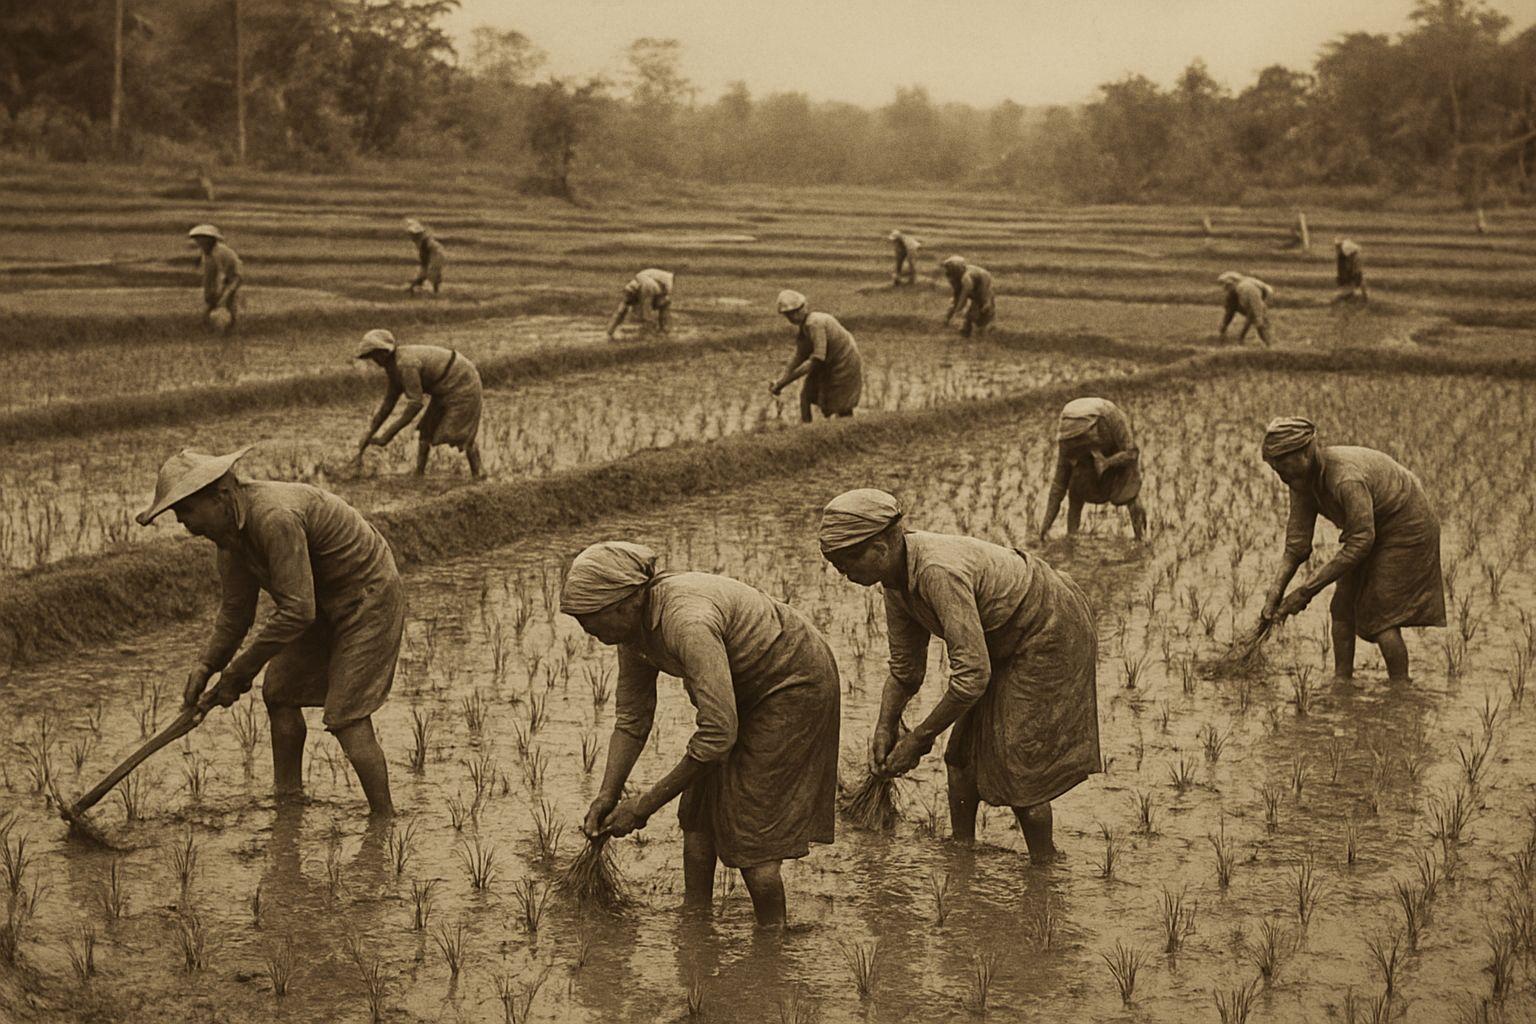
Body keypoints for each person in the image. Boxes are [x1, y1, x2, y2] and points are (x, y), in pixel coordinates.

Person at [564, 542, 840, 927]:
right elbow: (632, 719)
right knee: (698, 817)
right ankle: (695, 922)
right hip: (738, 692)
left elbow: (716, 735)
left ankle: (771, 942)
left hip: (792, 684)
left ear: (626, 602)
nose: (589, 631)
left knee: (752, 834)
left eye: (592, 620)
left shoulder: (686, 622)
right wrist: (608, 794)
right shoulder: (632, 633)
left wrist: (642, 807)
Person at [818, 489, 1100, 863]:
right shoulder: (895, 584)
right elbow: (905, 670)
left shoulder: (937, 572)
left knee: (1022, 766)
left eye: (846, 566)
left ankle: (1044, 867)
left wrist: (918, 739)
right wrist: (885, 726)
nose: (846, 576)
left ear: (880, 550)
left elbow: (971, 677)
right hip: (999, 642)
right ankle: (962, 852)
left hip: (1048, 629)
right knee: (961, 758)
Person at [136, 446, 404, 816]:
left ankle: (383, 818)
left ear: (221, 497)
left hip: (366, 598)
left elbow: (297, 610)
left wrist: (237, 675)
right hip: (315, 604)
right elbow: (235, 614)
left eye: (186, 510)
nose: (184, 523)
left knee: (347, 715)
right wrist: (206, 666)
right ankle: (289, 801)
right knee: (280, 694)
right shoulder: (230, 542)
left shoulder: (274, 517)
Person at [1260, 418, 1445, 682]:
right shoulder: (1300, 482)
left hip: (1407, 525)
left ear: (1305, 452)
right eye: (1278, 471)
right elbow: (1297, 546)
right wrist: (1274, 594)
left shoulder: (1345, 479)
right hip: (1368, 530)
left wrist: (1304, 592)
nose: (1283, 478)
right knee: (1342, 607)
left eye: (1285, 468)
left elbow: (1361, 541)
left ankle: (1400, 689)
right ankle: (1342, 681)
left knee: (1382, 615)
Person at [354, 329, 484, 478]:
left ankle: (478, 474)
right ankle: (419, 474)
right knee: (426, 431)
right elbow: (388, 403)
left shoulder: (406, 364)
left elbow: (415, 404)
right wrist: (369, 434)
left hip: (462, 383)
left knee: (460, 434)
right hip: (442, 388)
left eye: (375, 355)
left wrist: (388, 435)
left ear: (384, 352)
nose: (374, 361)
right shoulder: (393, 367)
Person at [1038, 397, 1147, 542]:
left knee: (1129, 493)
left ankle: (1141, 538)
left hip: (1108, 448)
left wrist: (1107, 462)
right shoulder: (1069, 440)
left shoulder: (1110, 417)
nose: (1081, 444)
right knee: (1077, 488)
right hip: (1090, 450)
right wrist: (1045, 527)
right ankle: (1073, 538)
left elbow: (1132, 453)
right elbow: (1059, 485)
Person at [769, 290, 863, 422]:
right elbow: (799, 356)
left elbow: (816, 360)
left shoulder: (814, 323)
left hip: (844, 362)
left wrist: (784, 382)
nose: (793, 317)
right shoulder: (805, 327)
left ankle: (847, 432)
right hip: (828, 362)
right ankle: (807, 430)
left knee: (842, 406)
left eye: (796, 311)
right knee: (806, 395)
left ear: (803, 308)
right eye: (788, 315)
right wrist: (780, 381)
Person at [189, 224, 241, 331]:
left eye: (202, 239)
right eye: (198, 239)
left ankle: (228, 332)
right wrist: (209, 293)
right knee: (209, 310)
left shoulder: (221, 253)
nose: (199, 242)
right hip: (218, 284)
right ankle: (213, 332)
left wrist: (224, 292)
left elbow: (231, 275)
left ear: (210, 240)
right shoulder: (206, 253)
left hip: (230, 281)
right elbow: (209, 274)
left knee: (227, 307)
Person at [607, 268, 674, 340]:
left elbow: (646, 310)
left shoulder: (647, 285)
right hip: (648, 284)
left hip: (652, 284)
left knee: (661, 305)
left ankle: (656, 331)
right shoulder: (641, 283)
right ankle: (661, 330)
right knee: (661, 304)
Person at [941, 255, 995, 338]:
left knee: (982, 308)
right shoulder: (954, 277)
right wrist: (949, 315)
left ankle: (982, 331)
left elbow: (963, 298)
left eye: (951, 269)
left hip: (983, 284)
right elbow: (956, 296)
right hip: (977, 284)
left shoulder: (966, 279)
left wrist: (955, 312)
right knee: (972, 312)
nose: (948, 272)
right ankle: (967, 330)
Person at [1217, 271, 1275, 346]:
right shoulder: (1235, 289)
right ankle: (1227, 335)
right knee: (1231, 302)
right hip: (1252, 296)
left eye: (1226, 287)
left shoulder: (1246, 289)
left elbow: (1253, 312)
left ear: (1231, 284)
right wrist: (1223, 327)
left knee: (1259, 321)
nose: (1225, 290)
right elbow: (1230, 310)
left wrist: (1241, 335)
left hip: (1262, 297)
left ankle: (1268, 345)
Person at [406, 219, 446, 296]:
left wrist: (424, 265)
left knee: (431, 273)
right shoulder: (422, 241)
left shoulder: (424, 242)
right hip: (436, 255)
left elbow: (426, 255)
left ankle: (435, 290)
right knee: (427, 273)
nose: (411, 236)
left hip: (436, 255)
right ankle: (414, 287)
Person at [1334, 238, 1368, 303]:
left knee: (1358, 276)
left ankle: (1359, 295)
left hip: (1354, 264)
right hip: (1350, 270)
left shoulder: (1346, 250)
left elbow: (1358, 276)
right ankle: (1351, 294)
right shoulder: (1342, 256)